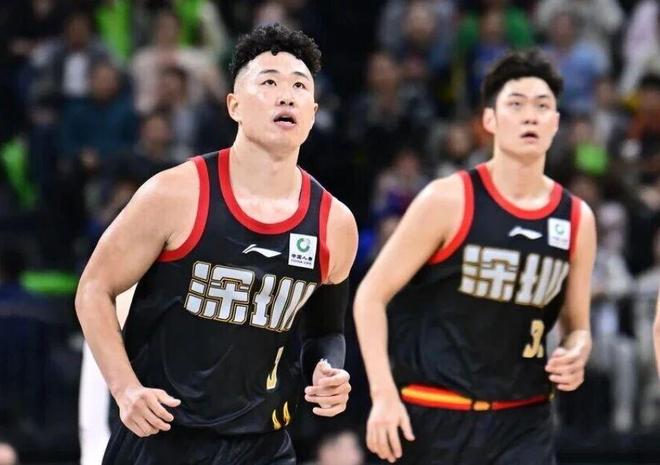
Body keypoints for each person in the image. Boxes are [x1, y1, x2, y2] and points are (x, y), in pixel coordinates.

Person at [76, 23, 358, 465]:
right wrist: (125, 389)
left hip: (262, 446)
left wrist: (327, 372)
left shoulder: (334, 223)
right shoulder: (176, 193)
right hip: (163, 438)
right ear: (234, 105)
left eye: (299, 86)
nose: (286, 96)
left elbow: (325, 332)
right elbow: (94, 288)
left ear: (313, 111)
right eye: (269, 82)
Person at [354, 50, 596, 464]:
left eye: (542, 107)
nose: (531, 116)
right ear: (489, 120)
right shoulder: (447, 200)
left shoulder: (576, 218)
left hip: (524, 422)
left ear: (556, 122)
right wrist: (383, 395)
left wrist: (577, 353)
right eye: (516, 104)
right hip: (437, 415)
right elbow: (370, 296)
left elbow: (578, 327)